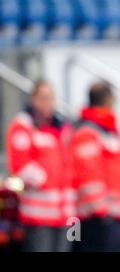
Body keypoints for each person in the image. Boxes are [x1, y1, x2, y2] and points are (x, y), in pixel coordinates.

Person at [71, 82, 120, 251]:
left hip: (113, 216)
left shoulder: (108, 131)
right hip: (97, 219)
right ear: (108, 101)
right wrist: (101, 209)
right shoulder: (88, 132)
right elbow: (88, 175)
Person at [6, 80, 74, 252]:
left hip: (66, 215)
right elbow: (20, 164)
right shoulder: (23, 126)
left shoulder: (61, 128)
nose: (47, 103)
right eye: (42, 98)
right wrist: (46, 182)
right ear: (33, 99)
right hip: (39, 215)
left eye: (50, 98)